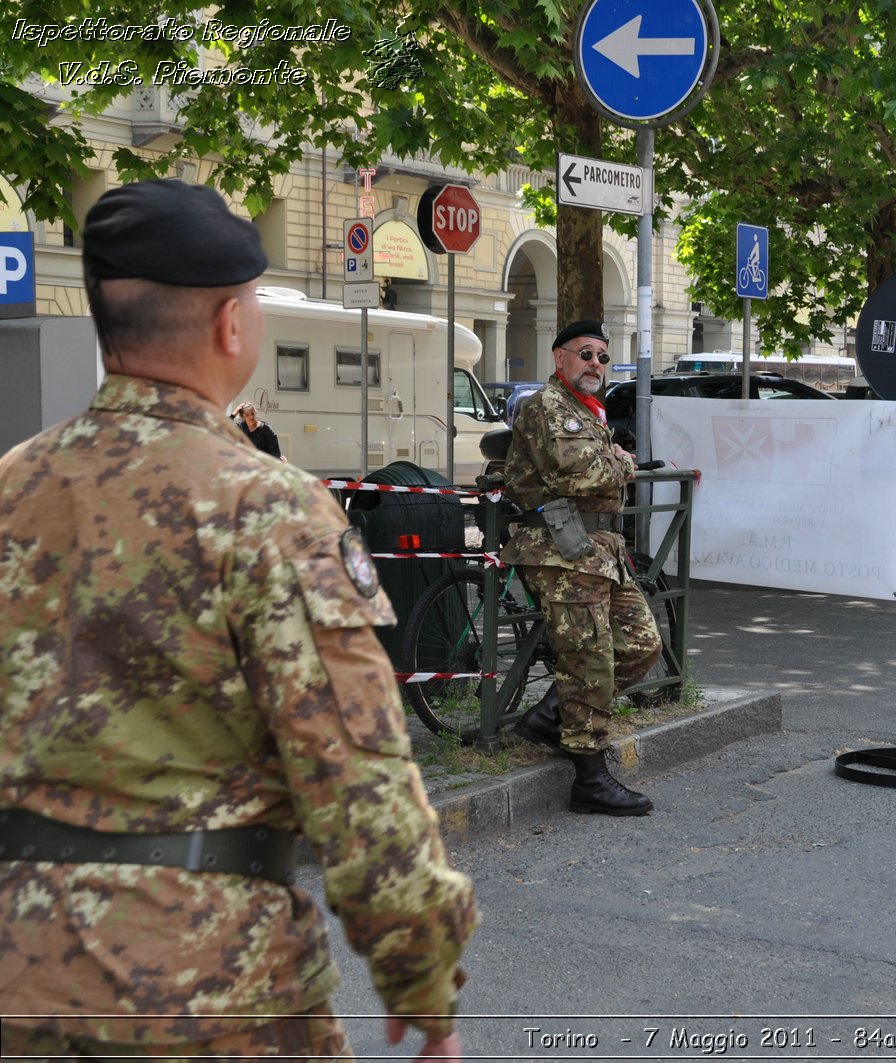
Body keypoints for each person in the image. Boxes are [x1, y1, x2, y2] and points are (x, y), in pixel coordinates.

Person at [0, 179, 478, 1061]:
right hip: (209, 995)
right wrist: (422, 979)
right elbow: (358, 775)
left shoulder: (10, 488)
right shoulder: (268, 507)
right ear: (231, 325)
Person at [501, 319, 662, 816]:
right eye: (585, 354)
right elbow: (581, 473)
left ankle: (551, 716)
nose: (595, 364)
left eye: (602, 357)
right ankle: (588, 777)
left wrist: (611, 458)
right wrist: (624, 463)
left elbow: (595, 470)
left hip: (597, 549)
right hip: (559, 550)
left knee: (641, 645)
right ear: (560, 359)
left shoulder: (585, 409)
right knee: (589, 659)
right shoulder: (549, 407)